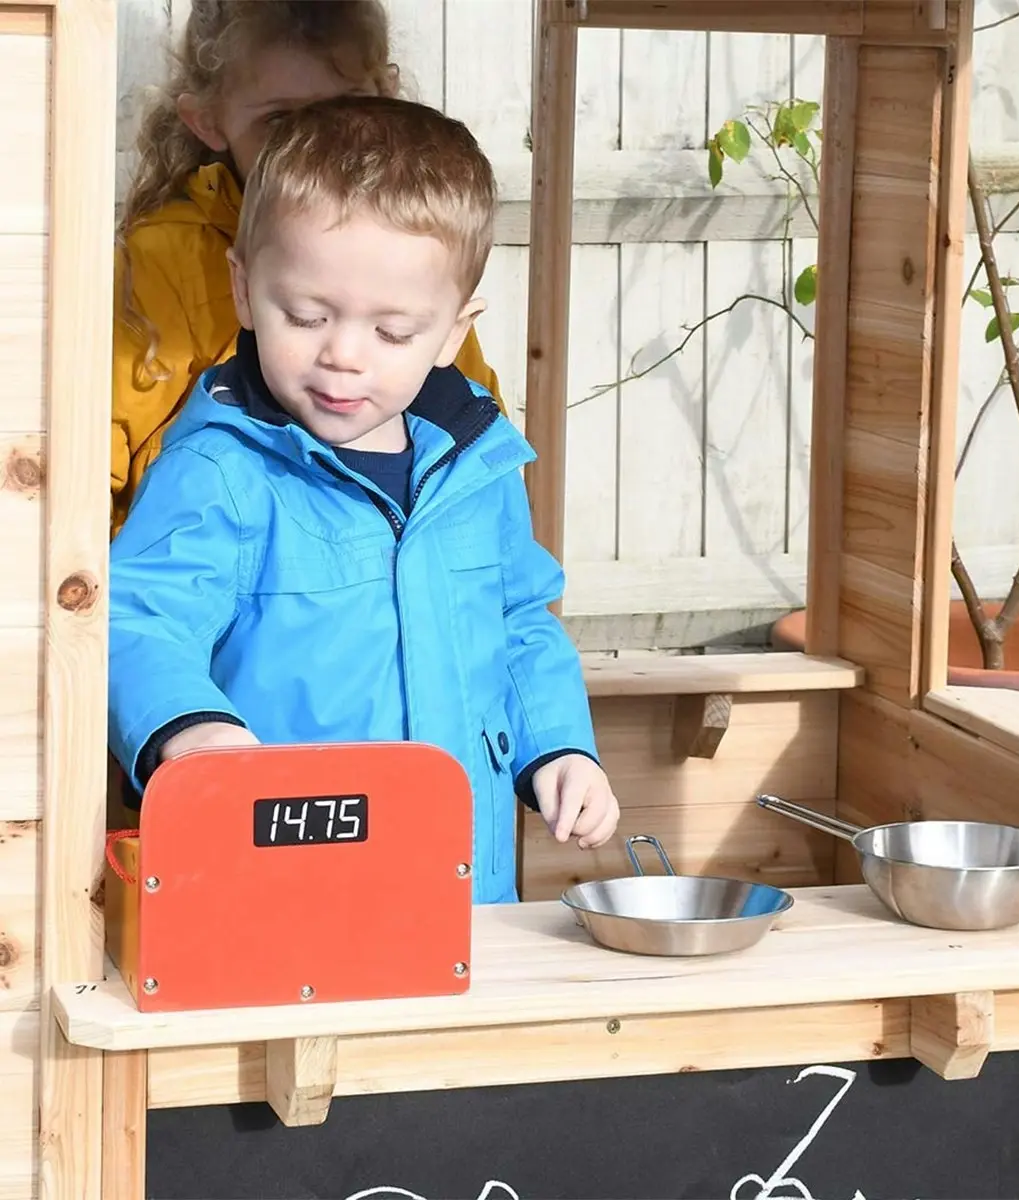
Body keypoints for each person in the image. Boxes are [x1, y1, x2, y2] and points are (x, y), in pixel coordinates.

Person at [106, 96, 620, 905]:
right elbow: (134, 617)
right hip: (283, 896)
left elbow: (519, 623)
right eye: (306, 315)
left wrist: (558, 749)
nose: (343, 356)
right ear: (244, 290)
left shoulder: (477, 468)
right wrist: (188, 725)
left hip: (466, 895)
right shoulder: (223, 470)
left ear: (454, 331)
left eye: (392, 333)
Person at [111, 0, 503, 536]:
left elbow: (473, 449)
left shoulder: (419, 253)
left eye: (392, 330)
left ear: (385, 95)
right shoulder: (162, 260)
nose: (319, 143)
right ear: (207, 120)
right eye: (280, 120)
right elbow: (84, 465)